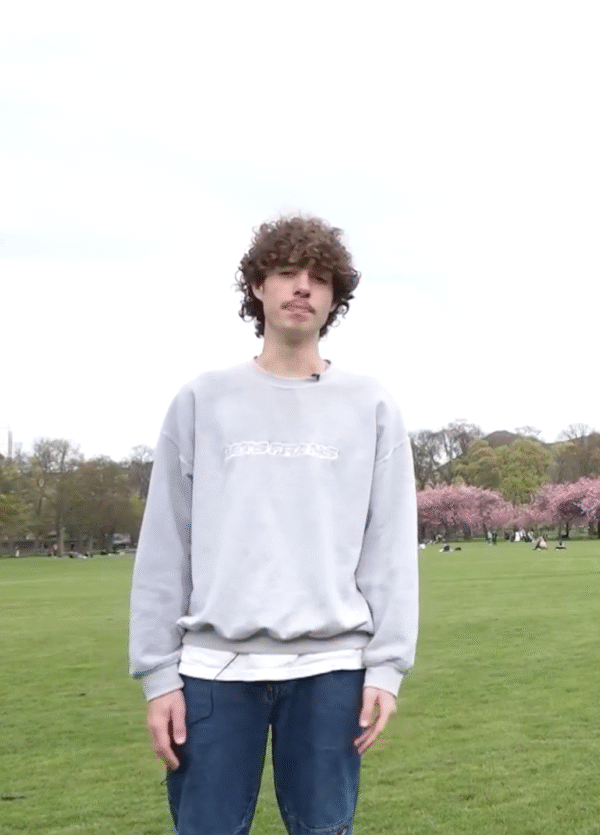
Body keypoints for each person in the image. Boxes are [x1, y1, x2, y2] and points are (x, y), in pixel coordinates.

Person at [128, 214, 419, 835]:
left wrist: (387, 669)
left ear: (335, 298)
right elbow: (165, 545)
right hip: (213, 671)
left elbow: (390, 548)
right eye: (287, 272)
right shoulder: (203, 400)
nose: (303, 287)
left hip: (331, 670)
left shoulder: (370, 405)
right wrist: (158, 676)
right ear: (258, 286)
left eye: (320, 278)